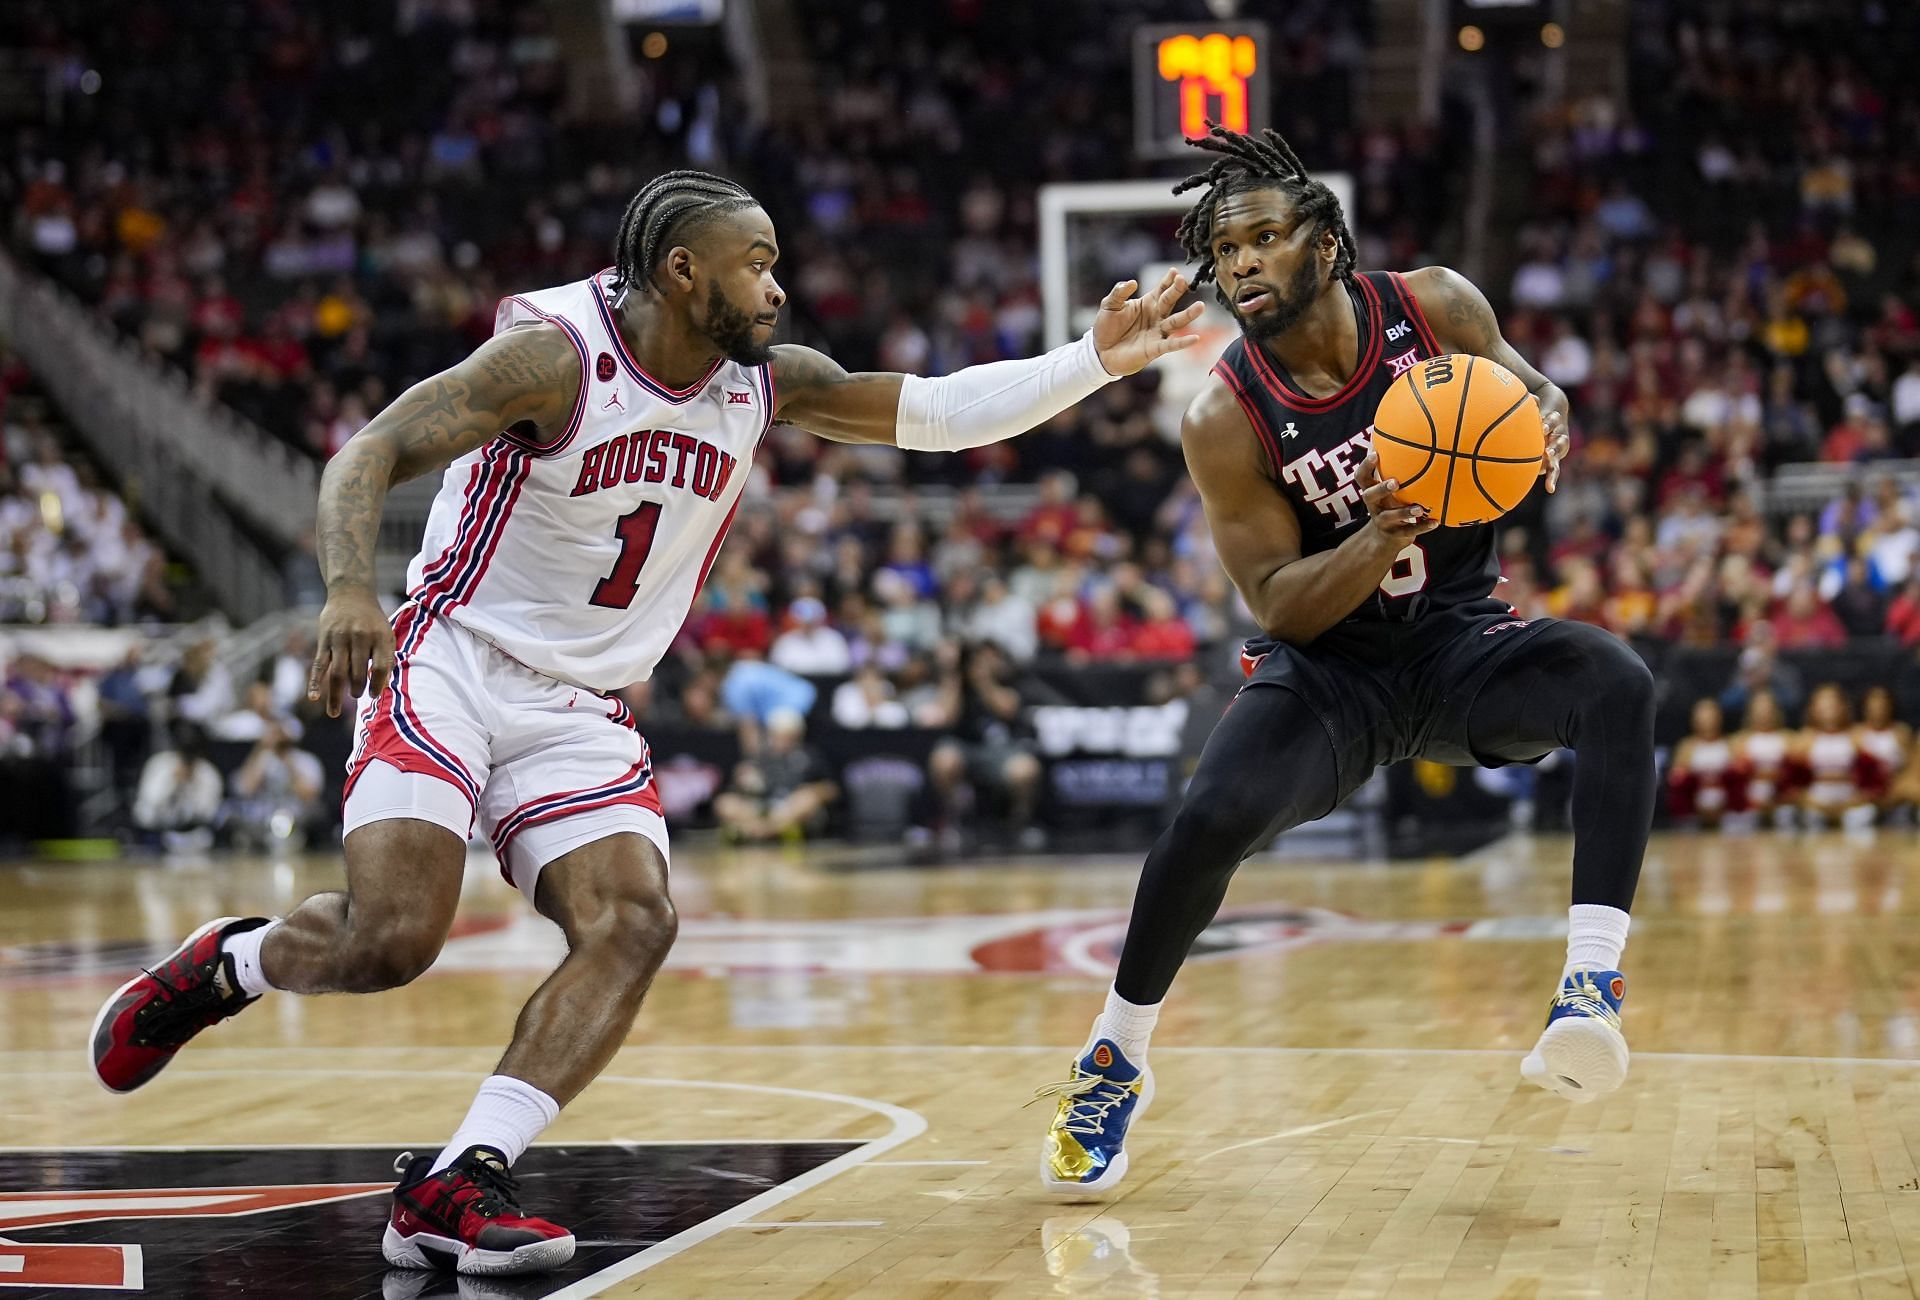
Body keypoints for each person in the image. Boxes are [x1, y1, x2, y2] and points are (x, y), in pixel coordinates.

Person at [88, 168, 1199, 1276]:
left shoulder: (763, 383)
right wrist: (344, 588)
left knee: (634, 920)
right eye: (757, 263)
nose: (778, 287)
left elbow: (942, 415)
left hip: (581, 702)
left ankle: (458, 1177)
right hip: (453, 656)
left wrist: (1097, 359)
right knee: (390, 942)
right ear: (682, 270)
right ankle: (228, 965)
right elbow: (365, 452)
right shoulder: (556, 359)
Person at [1033, 124, 1657, 1196]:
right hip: (1330, 671)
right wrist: (1377, 534)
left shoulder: (1436, 309)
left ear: (1326, 245)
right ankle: (1114, 1058)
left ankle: (1588, 990)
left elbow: (1526, 393)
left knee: (1618, 684)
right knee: (1203, 823)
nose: (1242, 266)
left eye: (1266, 239)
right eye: (1227, 251)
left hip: (1462, 638)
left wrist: (1546, 411)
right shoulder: (1222, 415)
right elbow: (1279, 601)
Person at [712, 708, 839, 842]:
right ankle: (771, 830)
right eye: (777, 734)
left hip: (791, 809)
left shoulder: (811, 756)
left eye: (788, 735)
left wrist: (813, 790)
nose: (782, 740)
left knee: (806, 799)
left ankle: (757, 831)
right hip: (762, 808)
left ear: (798, 734)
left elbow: (832, 789)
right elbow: (738, 789)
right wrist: (743, 779)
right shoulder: (761, 757)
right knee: (724, 802)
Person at [1667, 697, 1739, 827]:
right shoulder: (1686, 746)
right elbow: (1676, 778)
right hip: (1694, 809)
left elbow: (1739, 776)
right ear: (1694, 720)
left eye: (1711, 717)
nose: (1708, 722)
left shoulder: (1731, 744)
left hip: (1727, 810)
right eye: (1703, 717)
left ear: (1719, 718)